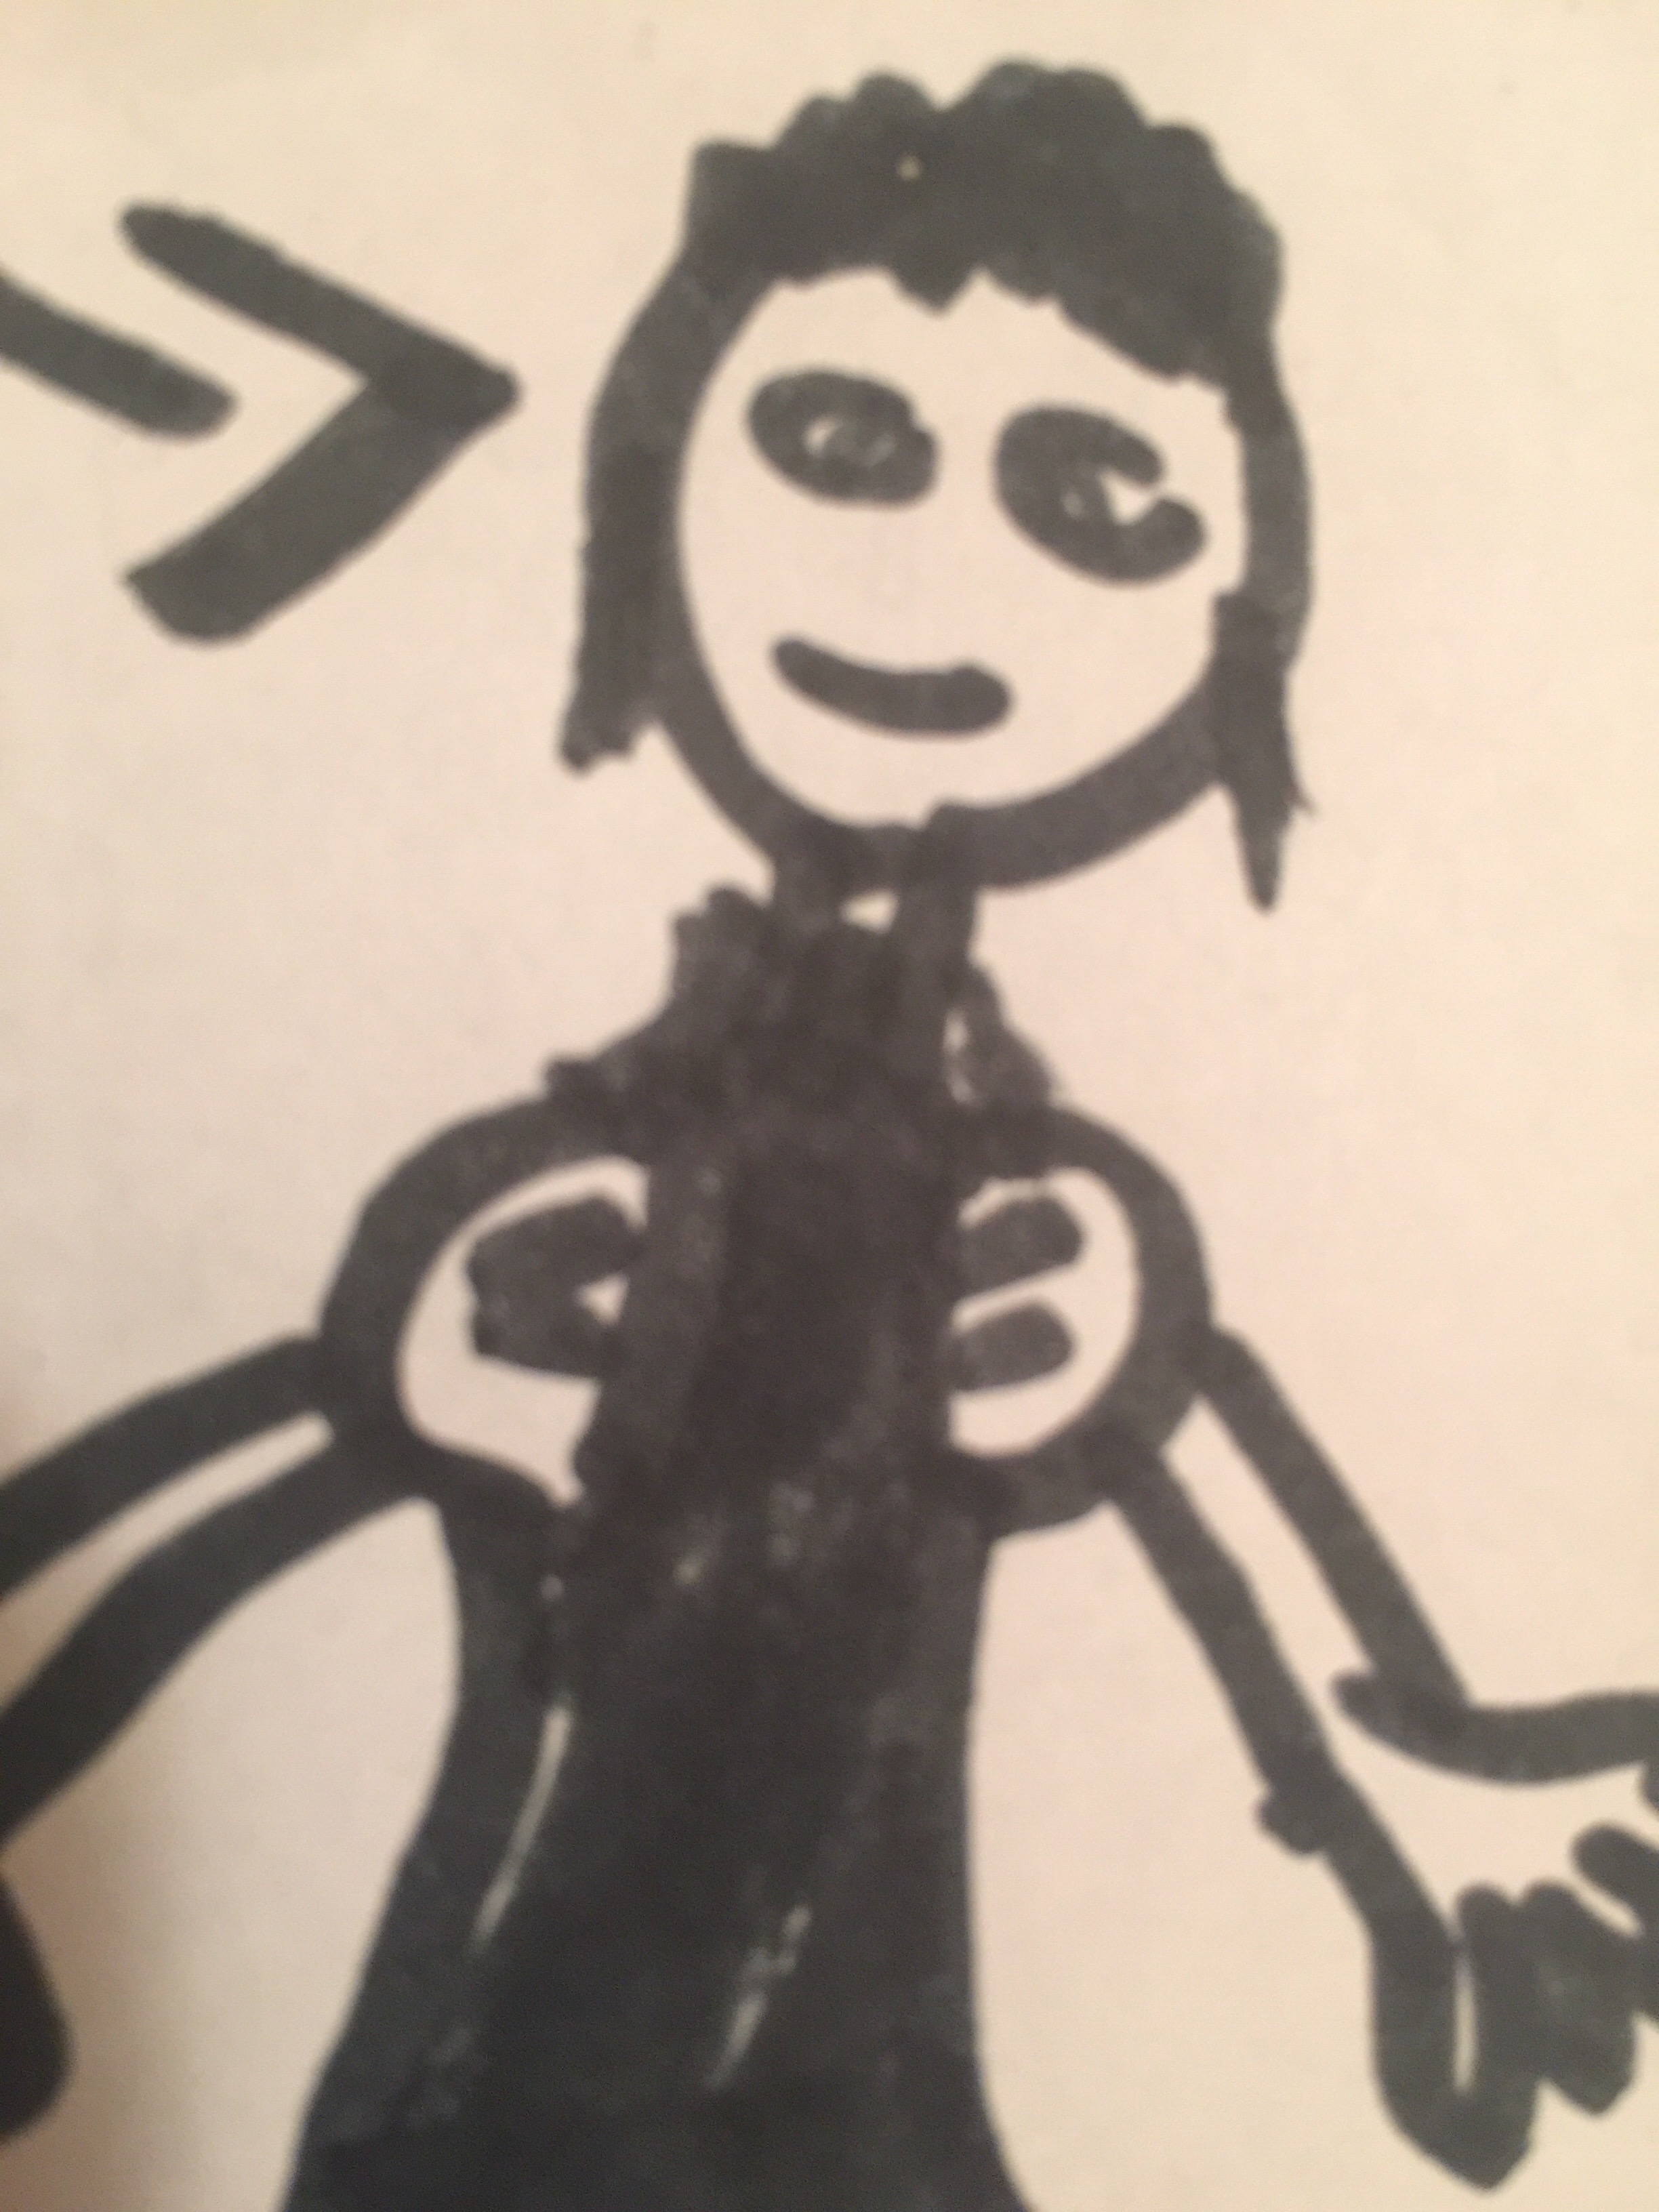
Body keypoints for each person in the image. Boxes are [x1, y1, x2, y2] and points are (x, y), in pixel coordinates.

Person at [3, 63, 1656, 2211]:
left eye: (1094, 497)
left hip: (863, 2011)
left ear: (1239, 605)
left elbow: (1213, 1491)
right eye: (841, 446)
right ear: (664, 472)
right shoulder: (608, 1141)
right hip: (506, 1979)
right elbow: (305, 1431)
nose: (936, 564)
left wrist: (1432, 1800)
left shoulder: (1041, 1204)